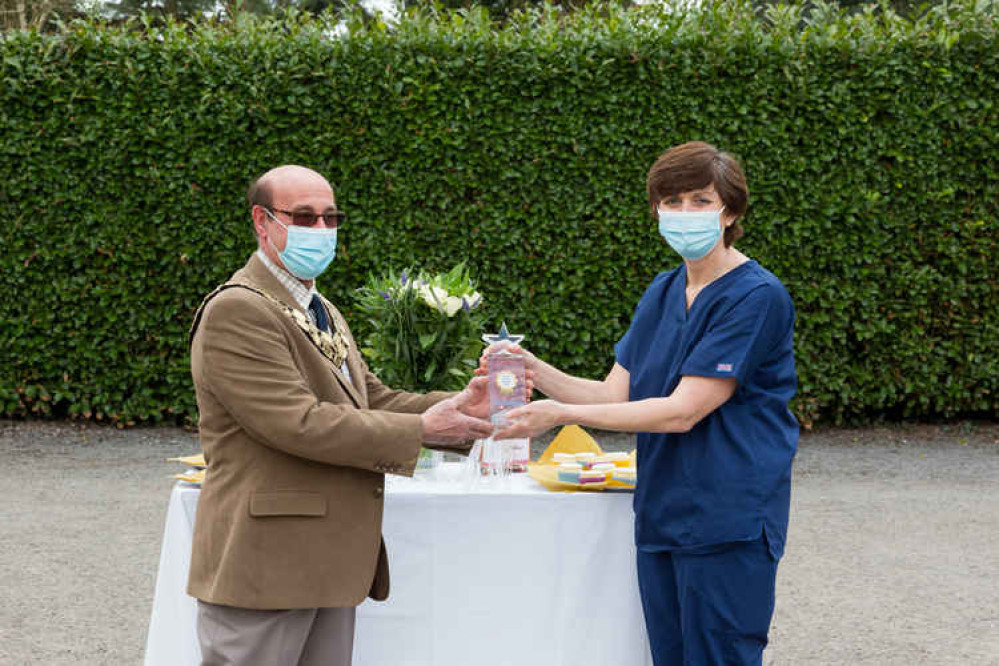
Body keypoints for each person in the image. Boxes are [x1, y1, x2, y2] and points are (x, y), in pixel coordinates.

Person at [488, 142, 798, 665]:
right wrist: (531, 370)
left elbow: (682, 410)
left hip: (727, 518)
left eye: (701, 200)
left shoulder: (755, 296)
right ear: (655, 209)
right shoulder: (663, 290)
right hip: (664, 512)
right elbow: (614, 394)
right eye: (671, 200)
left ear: (732, 211)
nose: (684, 214)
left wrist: (560, 415)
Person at [187, 165, 495, 666]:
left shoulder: (318, 305)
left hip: (325, 556)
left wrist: (460, 406)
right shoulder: (238, 309)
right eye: (304, 217)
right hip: (267, 560)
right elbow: (295, 421)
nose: (322, 230)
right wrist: (420, 429)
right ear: (262, 222)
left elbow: (368, 399)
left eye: (331, 217)